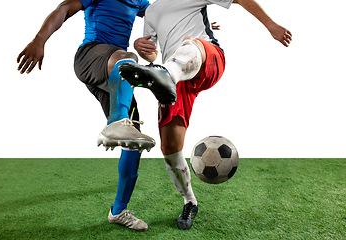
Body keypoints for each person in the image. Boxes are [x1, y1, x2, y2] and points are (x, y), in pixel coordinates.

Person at [119, 0, 292, 230]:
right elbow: (153, 56)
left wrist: (271, 25)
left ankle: (166, 74)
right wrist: (144, 50)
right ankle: (190, 202)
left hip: (206, 59)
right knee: (169, 147)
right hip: (174, 81)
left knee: (191, 43)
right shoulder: (150, 11)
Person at [16, 0, 156, 232]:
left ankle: (118, 211)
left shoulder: (139, 1)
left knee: (133, 141)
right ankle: (118, 120)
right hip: (91, 57)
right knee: (127, 58)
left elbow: (163, 15)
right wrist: (39, 40)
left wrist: (194, 26)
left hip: (115, 74)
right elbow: (64, 9)